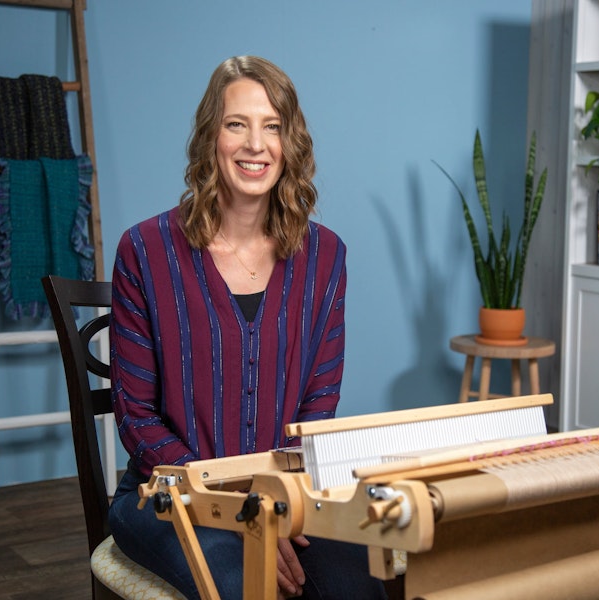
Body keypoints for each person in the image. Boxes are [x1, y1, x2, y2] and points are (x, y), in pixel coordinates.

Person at [107, 56, 387, 599]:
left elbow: (319, 404)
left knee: (359, 584)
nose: (255, 144)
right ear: (212, 135)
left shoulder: (326, 256)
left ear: (291, 143)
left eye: (273, 127)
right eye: (237, 124)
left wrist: (277, 506)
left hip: (286, 493)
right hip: (169, 498)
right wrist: (237, 508)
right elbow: (136, 418)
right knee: (246, 586)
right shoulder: (143, 250)